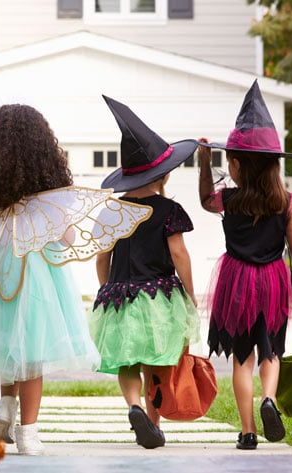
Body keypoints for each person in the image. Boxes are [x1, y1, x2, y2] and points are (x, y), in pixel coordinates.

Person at [0, 103, 152, 455]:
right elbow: (67, 238)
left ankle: (5, 406)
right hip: (38, 279)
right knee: (32, 353)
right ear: (42, 153)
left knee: (9, 342)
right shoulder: (46, 198)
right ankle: (29, 434)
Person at [197, 80, 292, 450]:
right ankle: (269, 398)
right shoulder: (284, 202)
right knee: (271, 351)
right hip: (272, 281)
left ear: (234, 165)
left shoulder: (229, 200)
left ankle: (248, 430)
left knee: (242, 357)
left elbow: (205, 199)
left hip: (236, 281)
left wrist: (205, 161)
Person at [88, 96, 201, 449]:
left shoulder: (112, 212)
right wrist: (190, 292)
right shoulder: (169, 210)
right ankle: (153, 422)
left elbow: (100, 257)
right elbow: (178, 253)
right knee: (157, 359)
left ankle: (134, 406)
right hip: (159, 297)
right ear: (164, 174)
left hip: (120, 295)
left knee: (126, 360)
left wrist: (107, 288)